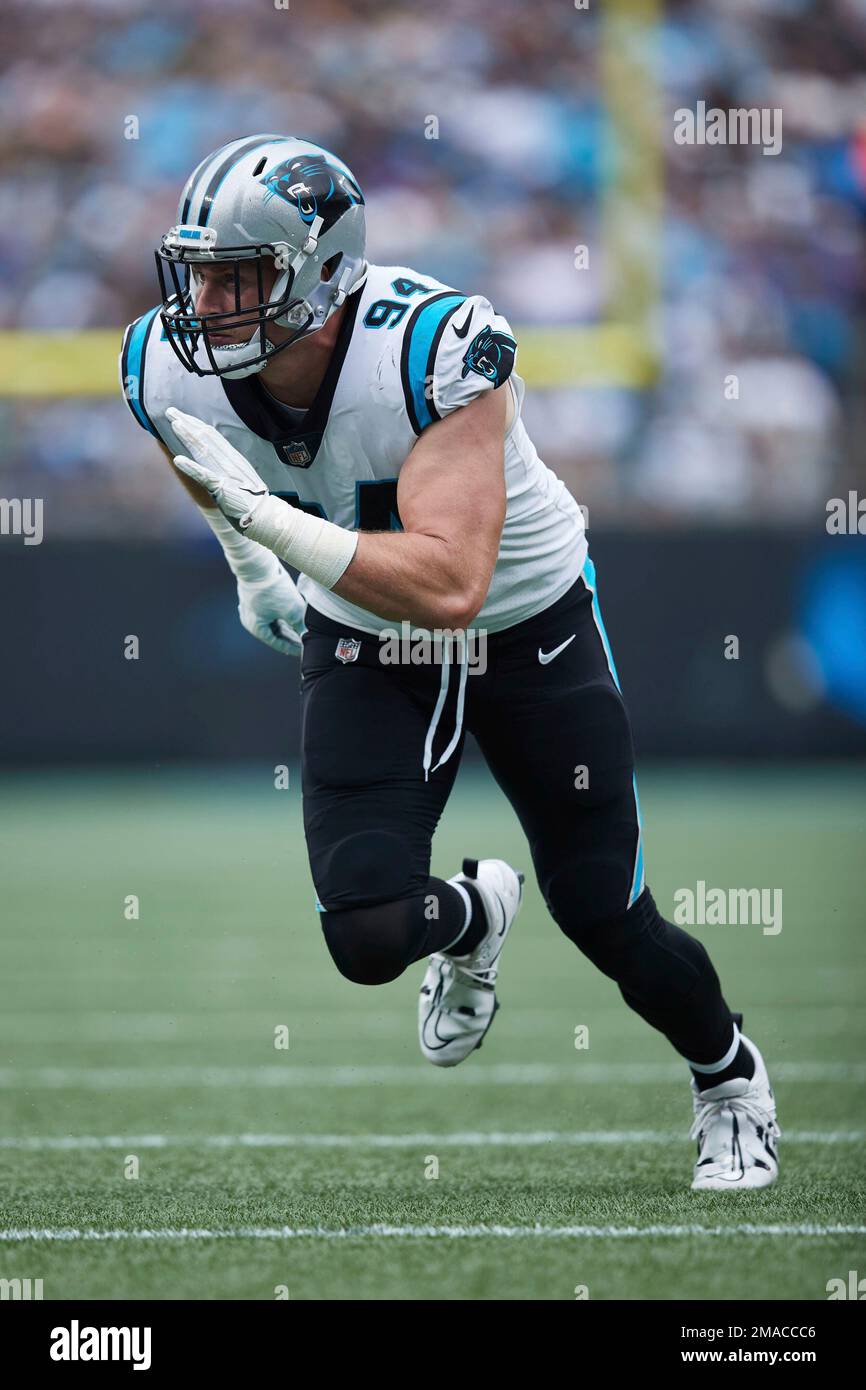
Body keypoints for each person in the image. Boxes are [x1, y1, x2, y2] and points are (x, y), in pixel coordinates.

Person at [120, 134, 780, 1190]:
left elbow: (448, 584)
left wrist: (273, 532)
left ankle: (728, 1079)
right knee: (367, 930)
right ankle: (476, 913)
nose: (206, 301)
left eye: (237, 275)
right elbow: (194, 451)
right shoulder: (160, 361)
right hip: (366, 632)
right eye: (198, 272)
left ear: (321, 272)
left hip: (523, 624)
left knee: (606, 910)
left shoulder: (431, 348)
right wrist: (251, 562)